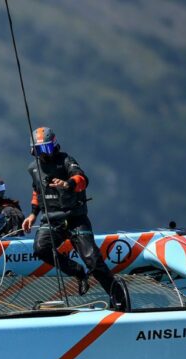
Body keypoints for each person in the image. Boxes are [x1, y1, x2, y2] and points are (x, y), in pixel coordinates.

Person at [21, 126, 127, 310]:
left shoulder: (66, 160)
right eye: (39, 150)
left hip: (75, 218)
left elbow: (82, 179)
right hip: (51, 220)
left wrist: (67, 184)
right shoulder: (33, 168)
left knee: (92, 260)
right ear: (33, 151)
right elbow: (37, 192)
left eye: (47, 148)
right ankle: (77, 271)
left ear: (54, 146)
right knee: (41, 249)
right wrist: (32, 214)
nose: (44, 154)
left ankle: (116, 294)